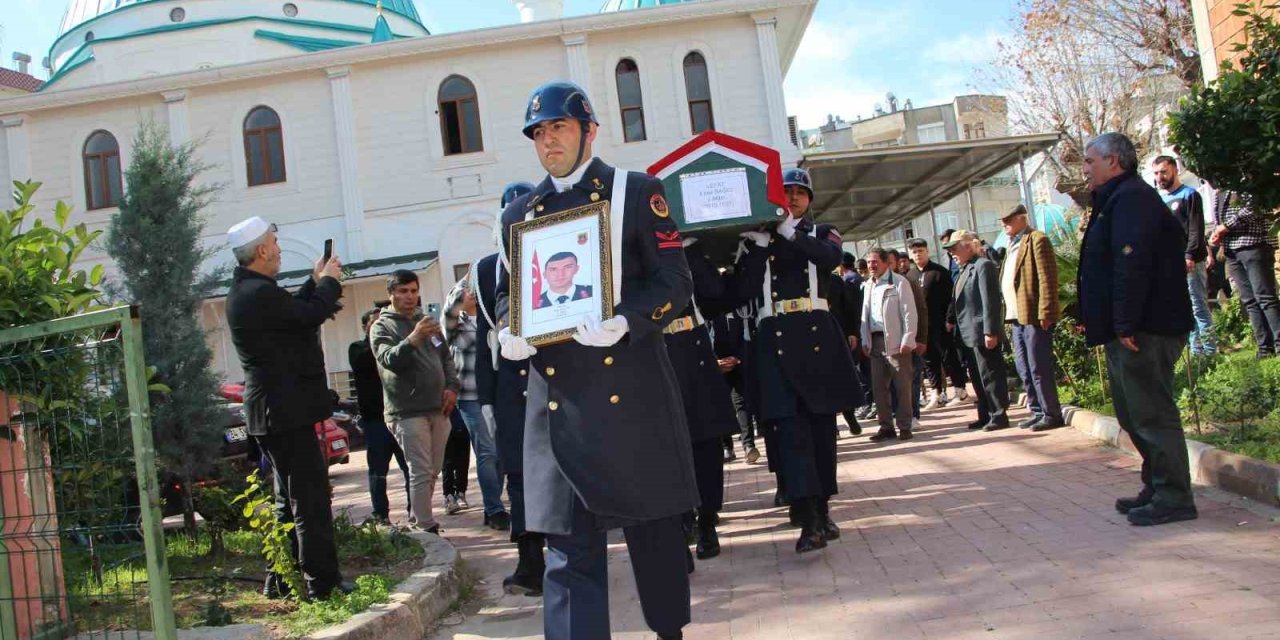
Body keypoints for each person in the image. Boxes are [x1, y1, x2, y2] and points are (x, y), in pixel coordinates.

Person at [495, 80, 697, 640]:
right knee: (566, 550)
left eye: (559, 126)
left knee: (654, 537)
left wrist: (627, 322)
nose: (549, 140)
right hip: (558, 404)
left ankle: (668, 632)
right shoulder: (518, 214)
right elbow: (509, 295)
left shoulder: (635, 190)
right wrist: (510, 329)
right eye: (539, 131)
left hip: (628, 393)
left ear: (589, 130)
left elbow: (674, 280)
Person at [733, 167, 862, 554]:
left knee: (821, 433)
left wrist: (789, 231)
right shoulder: (760, 237)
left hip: (815, 335)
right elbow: (741, 288)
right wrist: (755, 247)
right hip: (774, 338)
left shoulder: (821, 232)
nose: (791, 199)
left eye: (798, 193)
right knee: (789, 434)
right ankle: (807, 518)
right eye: (784, 193)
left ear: (810, 199)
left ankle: (822, 510)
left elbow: (828, 257)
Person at [224, 216, 352, 600]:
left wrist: (315, 282)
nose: (279, 250)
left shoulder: (253, 292)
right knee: (310, 501)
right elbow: (308, 315)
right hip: (284, 412)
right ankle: (322, 586)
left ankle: (279, 580)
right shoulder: (257, 294)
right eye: (275, 243)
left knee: (287, 500)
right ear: (261, 250)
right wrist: (328, 282)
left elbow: (293, 311)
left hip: (275, 412)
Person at [1079, 132, 1197, 525]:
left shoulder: (1131, 198)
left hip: (1146, 327)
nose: (1085, 168)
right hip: (1127, 327)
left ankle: (1174, 496)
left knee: (1151, 413)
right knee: (1133, 414)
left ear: (1114, 161)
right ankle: (1157, 485)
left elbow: (1132, 263)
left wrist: (1126, 321)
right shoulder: (1117, 198)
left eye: (1090, 160)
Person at [664, 241, 741, 562]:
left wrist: (691, 249)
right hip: (653, 355)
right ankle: (682, 524)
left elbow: (716, 294)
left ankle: (707, 521)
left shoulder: (687, 252)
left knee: (706, 448)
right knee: (667, 450)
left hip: (693, 351)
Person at [370, 269, 461, 535]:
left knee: (432, 471)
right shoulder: (381, 326)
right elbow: (389, 359)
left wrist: (452, 387)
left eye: (413, 290)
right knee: (420, 470)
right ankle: (426, 526)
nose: (410, 297)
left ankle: (416, 519)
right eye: (403, 291)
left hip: (439, 408)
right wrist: (413, 338)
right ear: (391, 294)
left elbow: (446, 358)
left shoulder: (426, 321)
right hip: (406, 412)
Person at [444, 279, 510, 530]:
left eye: (473, 292)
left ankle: (493, 505)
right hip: (471, 397)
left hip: (496, 394)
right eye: (466, 294)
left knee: (502, 453)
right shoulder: (455, 325)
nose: (472, 295)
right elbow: (447, 314)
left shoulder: (489, 320)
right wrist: (459, 290)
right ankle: (494, 509)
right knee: (487, 452)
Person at [998, 205, 1065, 431]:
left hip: (1034, 316)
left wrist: (1046, 311)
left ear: (1021, 218)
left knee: (1038, 366)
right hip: (1017, 317)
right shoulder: (1012, 244)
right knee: (1024, 367)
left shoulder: (1037, 239)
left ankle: (1051, 413)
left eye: (1008, 220)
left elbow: (1047, 277)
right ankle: (1037, 410)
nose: (1003, 224)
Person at [944, 230, 1011, 431]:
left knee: (990, 374)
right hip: (968, 334)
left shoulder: (984, 266)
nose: (952, 253)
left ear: (968, 245)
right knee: (978, 376)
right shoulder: (966, 268)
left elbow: (990, 301)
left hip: (982, 331)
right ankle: (986, 414)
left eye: (955, 248)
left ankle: (999, 415)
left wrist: (990, 331)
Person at [349, 308, 410, 525]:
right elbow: (366, 360)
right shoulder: (357, 349)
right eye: (374, 323)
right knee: (378, 471)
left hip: (399, 415)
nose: (378, 326)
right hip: (375, 420)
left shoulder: (394, 345)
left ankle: (415, 513)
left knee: (410, 468)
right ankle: (381, 515)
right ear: (365, 327)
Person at [1154, 156, 1216, 356]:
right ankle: (1195, 352)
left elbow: (1195, 230)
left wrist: (1189, 255)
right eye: (1156, 173)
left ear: (1174, 170)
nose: (1160, 177)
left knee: (1198, 306)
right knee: (1184, 309)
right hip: (1170, 263)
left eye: (1163, 172)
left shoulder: (1190, 195)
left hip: (1190, 261)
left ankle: (1209, 351)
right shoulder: (1159, 199)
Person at [1209, 187, 1280, 357]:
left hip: (1254, 244)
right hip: (1231, 250)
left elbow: (1254, 207)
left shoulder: (1244, 181)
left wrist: (1225, 227)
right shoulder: (1219, 191)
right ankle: (1265, 348)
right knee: (1249, 300)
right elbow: (1219, 220)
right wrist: (1216, 233)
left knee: (1265, 297)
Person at [859, 247, 917, 442]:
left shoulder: (899, 283)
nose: (871, 266)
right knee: (878, 388)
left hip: (896, 341)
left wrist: (908, 338)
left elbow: (909, 313)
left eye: (875, 262)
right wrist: (865, 340)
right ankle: (886, 427)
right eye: (868, 263)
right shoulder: (868, 285)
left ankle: (905, 426)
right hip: (875, 342)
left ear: (885, 262)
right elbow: (864, 316)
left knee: (902, 387)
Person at [907, 238, 964, 410]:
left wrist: (950, 319)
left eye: (921, 251)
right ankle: (936, 394)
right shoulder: (910, 276)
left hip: (940, 323)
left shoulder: (939, 272)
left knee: (948, 357)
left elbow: (950, 299)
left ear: (927, 251)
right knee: (929, 361)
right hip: (922, 327)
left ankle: (960, 389)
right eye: (914, 252)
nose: (918, 254)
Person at [711, 307, 760, 463]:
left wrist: (738, 357)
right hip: (715, 363)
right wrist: (714, 361)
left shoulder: (739, 305)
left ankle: (748, 445)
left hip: (738, 359)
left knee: (741, 402)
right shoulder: (707, 309)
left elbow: (747, 329)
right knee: (721, 403)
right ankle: (727, 447)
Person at [889, 249, 927, 431]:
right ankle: (899, 414)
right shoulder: (876, 284)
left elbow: (920, 310)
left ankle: (913, 415)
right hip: (889, 343)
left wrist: (920, 338)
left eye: (890, 262)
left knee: (911, 379)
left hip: (909, 340)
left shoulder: (907, 282)